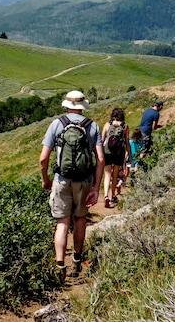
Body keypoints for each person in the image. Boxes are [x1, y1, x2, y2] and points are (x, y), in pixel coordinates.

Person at [39, 90, 104, 280]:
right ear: (83, 107)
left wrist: (46, 180)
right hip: (84, 181)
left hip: (61, 180)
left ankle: (60, 267)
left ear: (67, 105)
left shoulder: (56, 124)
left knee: (62, 223)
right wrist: (95, 188)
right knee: (80, 220)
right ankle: (76, 262)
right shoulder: (93, 126)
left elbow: (43, 159)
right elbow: (100, 159)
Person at [101, 107, 131, 208]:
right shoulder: (125, 126)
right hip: (119, 153)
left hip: (107, 152)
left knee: (107, 175)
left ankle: (105, 196)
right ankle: (112, 195)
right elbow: (127, 143)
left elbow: (101, 140)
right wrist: (130, 156)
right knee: (115, 175)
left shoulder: (107, 124)